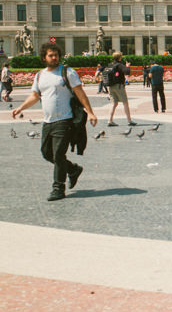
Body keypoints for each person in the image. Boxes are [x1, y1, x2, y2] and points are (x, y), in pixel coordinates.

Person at [12, 42, 98, 201]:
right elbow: (34, 96)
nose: (54, 58)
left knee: (58, 154)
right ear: (44, 57)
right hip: (48, 121)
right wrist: (20, 108)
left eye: (56, 55)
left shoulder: (67, 72)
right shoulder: (40, 75)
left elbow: (80, 93)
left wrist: (91, 113)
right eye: (51, 55)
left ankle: (58, 188)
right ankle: (72, 169)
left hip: (64, 120)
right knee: (46, 153)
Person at [106, 51, 135, 127]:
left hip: (110, 86)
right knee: (125, 102)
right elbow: (127, 72)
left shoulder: (110, 65)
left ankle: (110, 120)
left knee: (114, 103)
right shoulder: (119, 65)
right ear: (119, 57)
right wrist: (127, 66)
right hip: (119, 86)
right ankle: (129, 120)